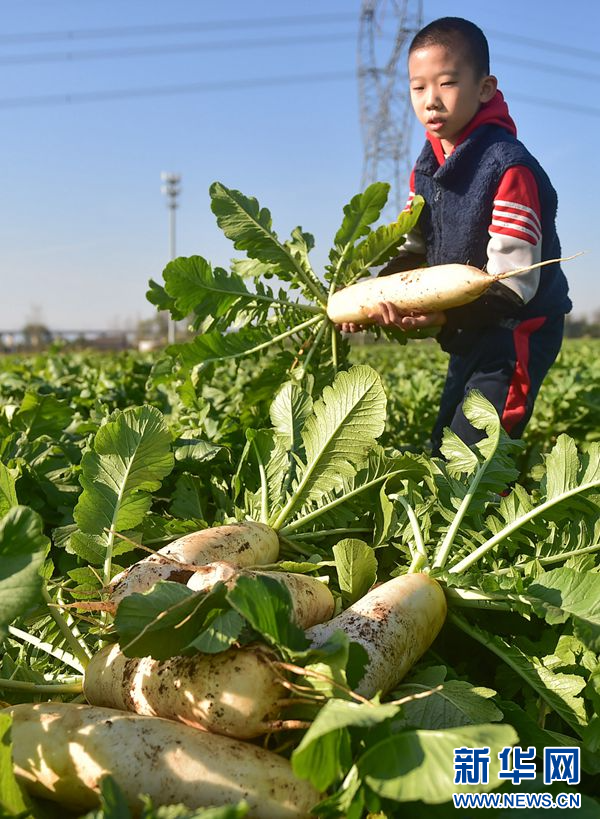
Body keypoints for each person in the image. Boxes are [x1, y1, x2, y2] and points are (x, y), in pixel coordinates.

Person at [341, 17, 571, 455]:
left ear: (484, 88)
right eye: (418, 88)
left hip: (516, 327)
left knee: (476, 454)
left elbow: (513, 285)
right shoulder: (425, 168)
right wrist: (367, 300)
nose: (431, 102)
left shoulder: (508, 167)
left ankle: (488, 516)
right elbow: (415, 250)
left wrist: (444, 317)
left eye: (446, 84)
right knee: (444, 442)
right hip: (470, 327)